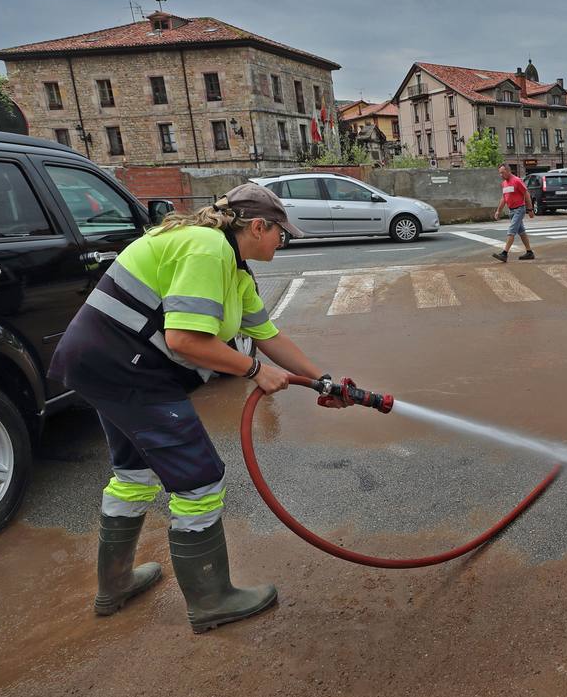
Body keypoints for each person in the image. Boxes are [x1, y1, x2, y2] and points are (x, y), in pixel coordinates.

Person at [49, 183, 358, 634]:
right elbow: (185, 340)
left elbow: (268, 335)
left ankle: (114, 584)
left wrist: (320, 381)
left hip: (103, 364)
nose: (282, 240)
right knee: (200, 478)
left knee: (134, 474)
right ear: (257, 226)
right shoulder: (208, 249)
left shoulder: (234, 268)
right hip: (128, 369)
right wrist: (254, 371)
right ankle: (211, 599)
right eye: (279, 233)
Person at [492, 164, 535, 262]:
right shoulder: (504, 183)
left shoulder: (517, 181)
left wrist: (530, 209)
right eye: (500, 173)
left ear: (508, 171)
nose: (501, 175)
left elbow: (526, 194)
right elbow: (504, 198)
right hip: (511, 210)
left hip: (519, 209)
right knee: (521, 232)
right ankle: (529, 252)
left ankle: (504, 254)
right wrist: (498, 211)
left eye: (502, 172)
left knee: (511, 230)